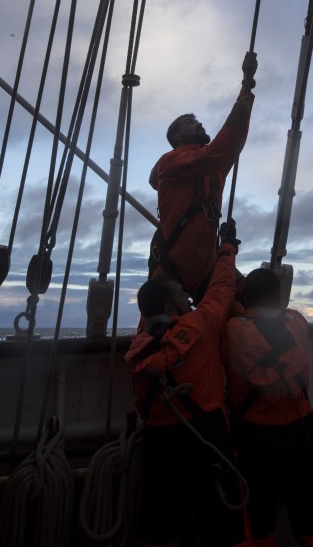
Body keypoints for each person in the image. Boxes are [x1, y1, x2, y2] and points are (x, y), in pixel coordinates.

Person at [125, 220, 246, 547]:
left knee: (160, 526)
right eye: (182, 294)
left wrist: (162, 263)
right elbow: (222, 289)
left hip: (159, 442)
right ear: (169, 306)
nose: (189, 298)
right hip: (206, 434)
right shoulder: (201, 325)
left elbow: (150, 302)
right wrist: (227, 248)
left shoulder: (141, 343)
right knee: (223, 526)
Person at [223, 268, 313, 547]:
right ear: (278, 296)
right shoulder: (298, 322)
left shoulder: (233, 330)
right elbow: (272, 313)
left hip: (254, 438)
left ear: (246, 296)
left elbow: (240, 315)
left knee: (257, 518)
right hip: (300, 431)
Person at [148, 51, 257, 300]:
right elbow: (217, 152)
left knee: (243, 306)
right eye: (190, 122)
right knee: (158, 328)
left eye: (197, 120)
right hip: (171, 265)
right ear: (176, 137)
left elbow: (232, 141)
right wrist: (237, 110)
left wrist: (246, 84)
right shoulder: (171, 162)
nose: (198, 123)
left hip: (206, 265)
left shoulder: (214, 165)